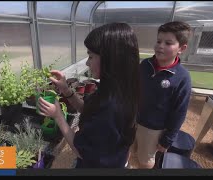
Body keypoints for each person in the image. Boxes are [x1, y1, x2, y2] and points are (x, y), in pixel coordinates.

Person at [37, 23, 140, 168]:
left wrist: (58, 116)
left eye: (91, 56)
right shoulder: (119, 88)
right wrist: (67, 91)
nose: (87, 62)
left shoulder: (111, 106)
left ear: (111, 59)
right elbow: (90, 111)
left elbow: (81, 152)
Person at [130, 21, 192, 169]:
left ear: (181, 48)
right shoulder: (145, 65)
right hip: (133, 120)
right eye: (158, 41)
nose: (160, 46)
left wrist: (168, 139)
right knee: (131, 150)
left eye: (168, 43)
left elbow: (179, 111)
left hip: (153, 128)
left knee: (145, 160)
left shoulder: (182, 77)